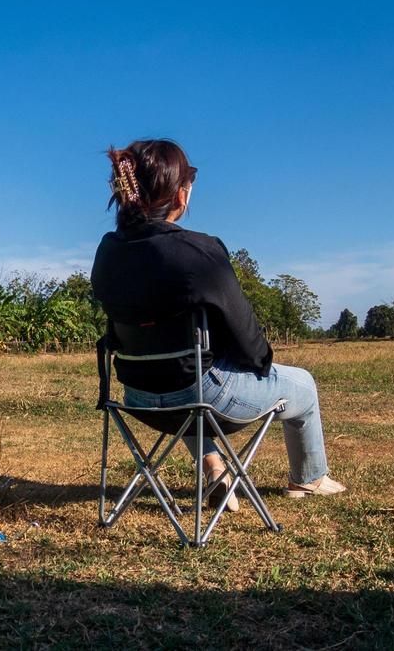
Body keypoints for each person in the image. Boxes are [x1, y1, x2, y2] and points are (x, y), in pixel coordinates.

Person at [89, 138, 345, 509]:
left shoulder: (108, 250)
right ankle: (309, 478)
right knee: (301, 384)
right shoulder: (200, 250)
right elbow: (250, 341)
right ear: (180, 194)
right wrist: (258, 365)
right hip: (203, 396)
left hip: (138, 396)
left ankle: (214, 467)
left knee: (183, 374)